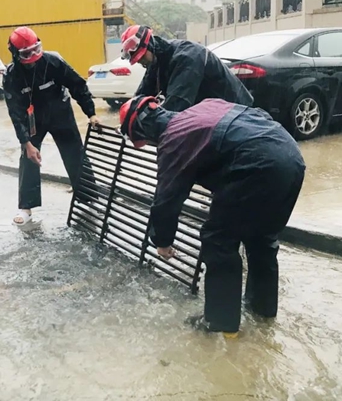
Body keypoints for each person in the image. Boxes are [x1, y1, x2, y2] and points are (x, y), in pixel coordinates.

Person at [119, 95, 306, 336]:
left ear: (143, 131)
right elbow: (253, 118)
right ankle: (262, 312)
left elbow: (167, 199)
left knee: (218, 241)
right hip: (291, 156)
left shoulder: (172, 140)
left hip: (257, 166)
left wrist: (162, 241)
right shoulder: (204, 107)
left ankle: (220, 324)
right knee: (262, 240)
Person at [3, 26, 100, 226]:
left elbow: (77, 85)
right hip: (33, 120)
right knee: (28, 158)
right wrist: (26, 143)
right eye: (26, 54)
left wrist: (91, 113)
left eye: (36, 50)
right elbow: (15, 112)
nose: (33, 57)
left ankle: (88, 198)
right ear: (15, 55)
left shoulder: (53, 61)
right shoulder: (11, 76)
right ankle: (26, 208)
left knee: (75, 153)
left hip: (60, 113)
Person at [121, 25, 254, 112]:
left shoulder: (188, 57)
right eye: (137, 60)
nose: (140, 62)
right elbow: (143, 93)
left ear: (151, 45)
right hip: (212, 113)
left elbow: (176, 105)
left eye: (142, 56)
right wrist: (128, 114)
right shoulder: (158, 59)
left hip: (236, 112)